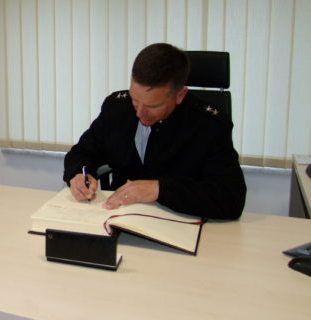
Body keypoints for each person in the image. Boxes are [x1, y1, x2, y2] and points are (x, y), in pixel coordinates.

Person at [63, 43, 246, 220]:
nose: (140, 113)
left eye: (153, 106)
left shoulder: (209, 126)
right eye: (135, 100)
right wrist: (79, 174)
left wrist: (160, 189)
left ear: (180, 95)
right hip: (117, 216)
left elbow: (231, 198)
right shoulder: (117, 109)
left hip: (177, 221)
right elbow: (82, 153)